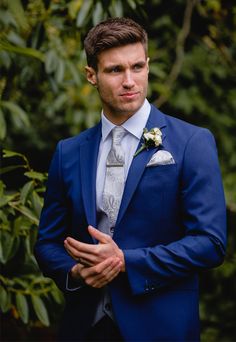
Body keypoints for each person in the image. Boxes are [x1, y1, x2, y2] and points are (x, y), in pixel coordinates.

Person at [34, 17, 227, 342]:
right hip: (85, 327)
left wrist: (126, 261)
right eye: (114, 70)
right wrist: (75, 271)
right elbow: (47, 243)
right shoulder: (68, 152)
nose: (129, 81)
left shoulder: (192, 142)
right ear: (91, 75)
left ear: (148, 66)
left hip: (161, 329)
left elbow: (211, 243)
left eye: (137, 67)